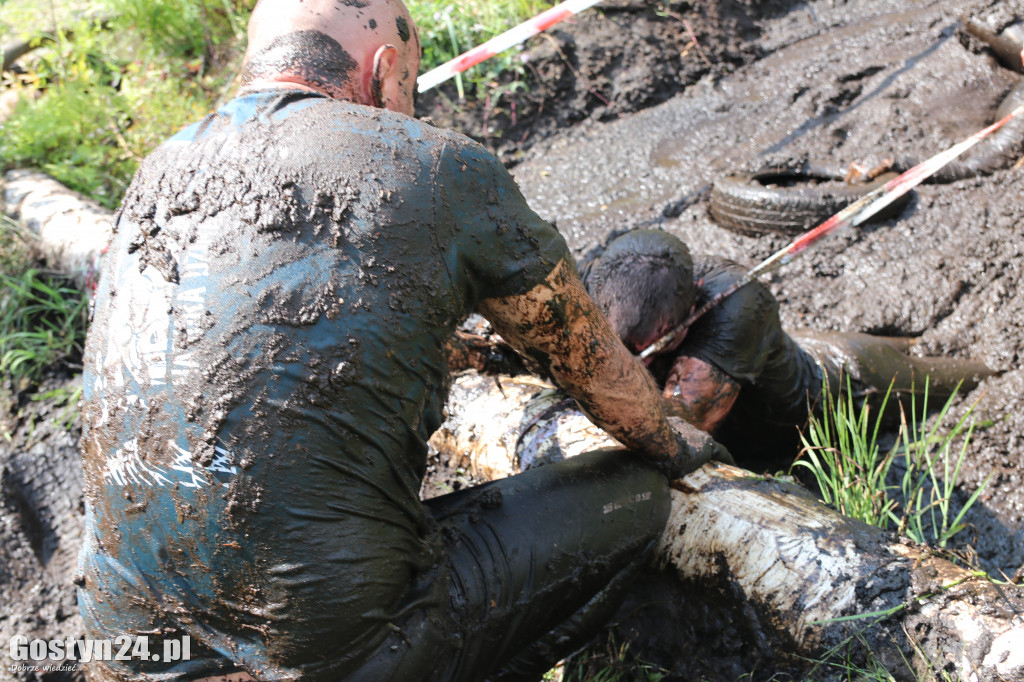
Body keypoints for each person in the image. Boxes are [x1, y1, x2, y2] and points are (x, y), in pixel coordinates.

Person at [76, 2, 729, 680]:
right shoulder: (434, 164)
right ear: (384, 70)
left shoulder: (157, 170)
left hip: (122, 650)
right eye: (410, 87)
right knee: (636, 498)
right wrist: (679, 446)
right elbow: (595, 372)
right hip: (333, 657)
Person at [582, 229, 994, 467]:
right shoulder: (596, 282)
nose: (636, 360)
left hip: (841, 390)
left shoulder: (736, 306)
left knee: (972, 378)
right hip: (782, 355)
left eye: (648, 350)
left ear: (691, 310)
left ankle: (997, 366)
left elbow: (675, 431)